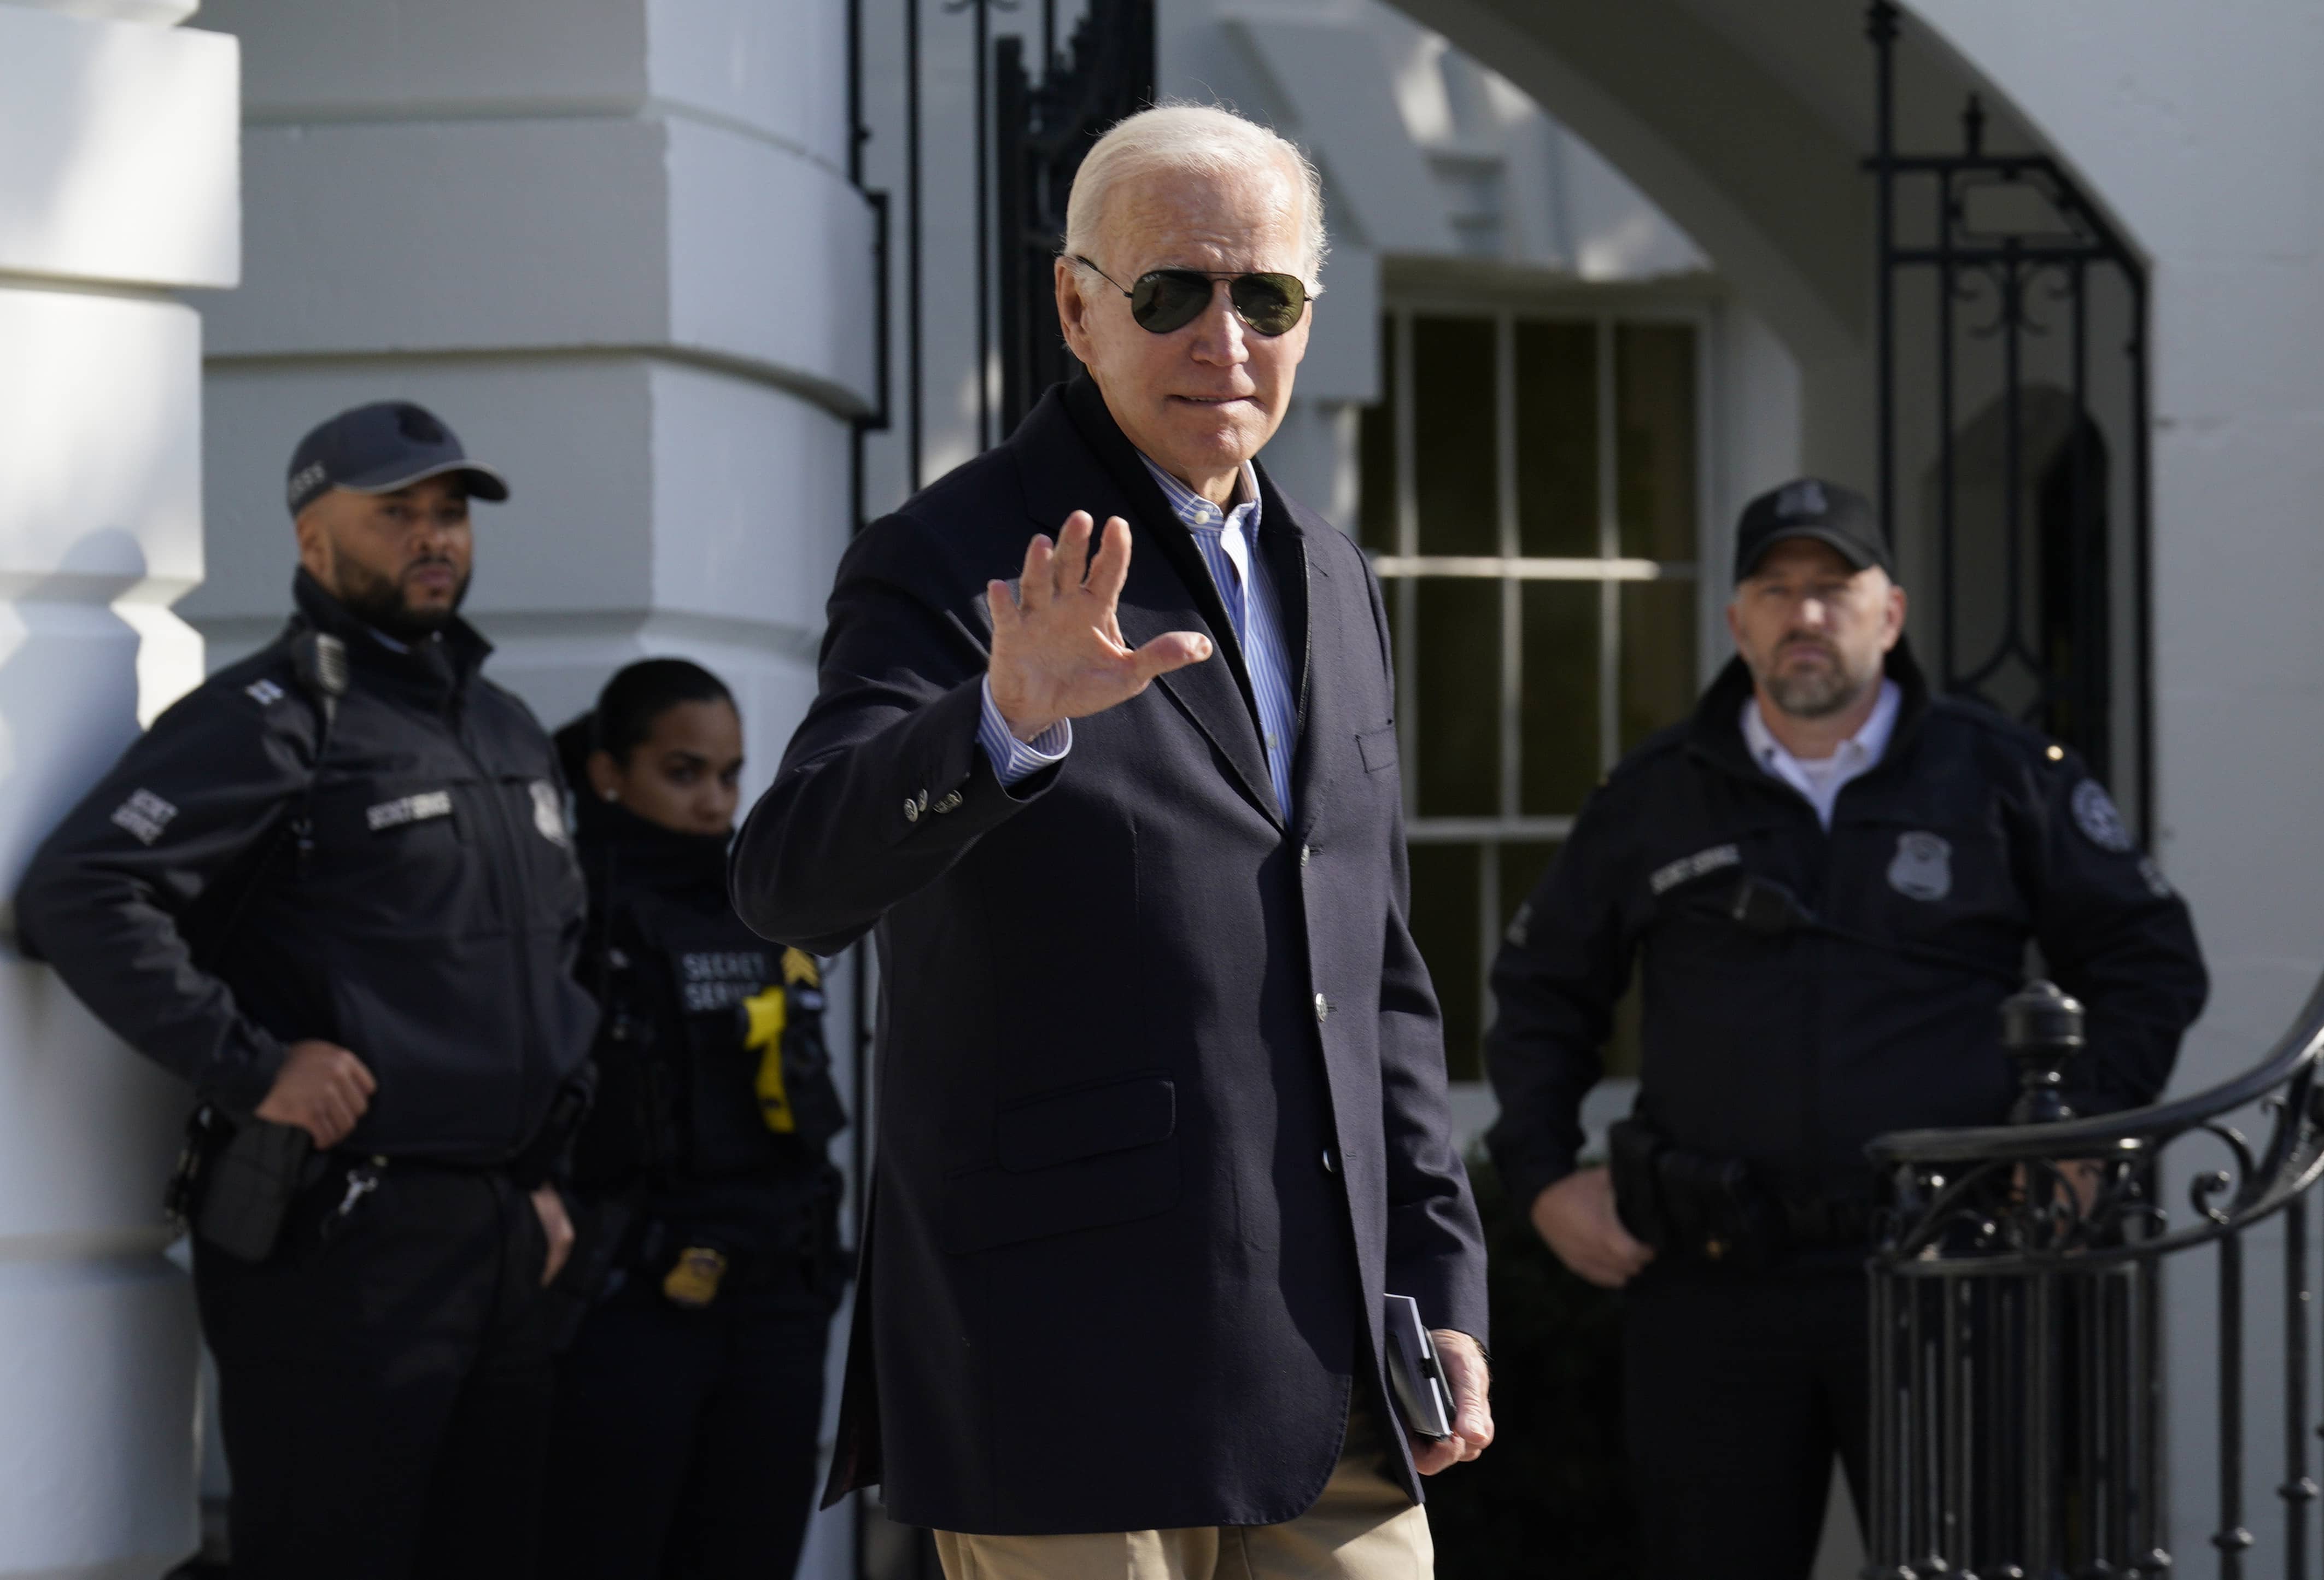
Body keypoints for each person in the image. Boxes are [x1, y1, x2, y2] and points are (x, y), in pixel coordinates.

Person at [729, 103, 1492, 1579]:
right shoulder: (952, 555)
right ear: (1079, 308)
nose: (1225, 337)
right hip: (1062, 1351)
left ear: (1307, 316)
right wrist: (997, 720)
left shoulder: (1332, 573)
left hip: (1329, 1356)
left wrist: (1440, 1279)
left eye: (1263, 295)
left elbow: (1376, 969)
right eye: (1172, 292)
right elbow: (785, 880)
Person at [1483, 476, 2210, 1579]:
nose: (1803, 614)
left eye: (1833, 587)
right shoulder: (1652, 797)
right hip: (1712, 1281)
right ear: (1737, 621)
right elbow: (1540, 993)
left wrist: (2082, 1132)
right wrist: (1541, 1172)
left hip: (1946, 1269)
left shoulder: (2000, 774)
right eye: (1776, 588)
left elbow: (2147, 959)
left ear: (1890, 611)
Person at [14, 401, 596, 1580]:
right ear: (312, 538)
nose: (434, 537)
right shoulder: (269, 717)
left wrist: (536, 1179)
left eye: (448, 513)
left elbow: (553, 955)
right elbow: (78, 890)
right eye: (397, 514)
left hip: (500, 1230)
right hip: (346, 1238)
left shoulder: (502, 724)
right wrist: (253, 1061)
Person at [538, 658, 847, 1579]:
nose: (715, 801)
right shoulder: (566, 910)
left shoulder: (763, 894)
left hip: (776, 1304)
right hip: (634, 1307)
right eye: (683, 772)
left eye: (729, 773)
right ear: (609, 773)